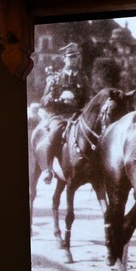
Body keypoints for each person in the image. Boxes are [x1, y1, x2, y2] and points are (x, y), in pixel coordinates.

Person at [37, 42, 90, 184]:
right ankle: (48, 169)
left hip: (77, 115)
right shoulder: (55, 78)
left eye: (75, 57)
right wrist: (57, 98)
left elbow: (88, 98)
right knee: (54, 133)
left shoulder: (83, 78)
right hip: (59, 115)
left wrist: (84, 108)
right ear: (64, 58)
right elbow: (43, 101)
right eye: (70, 57)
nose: (73, 60)